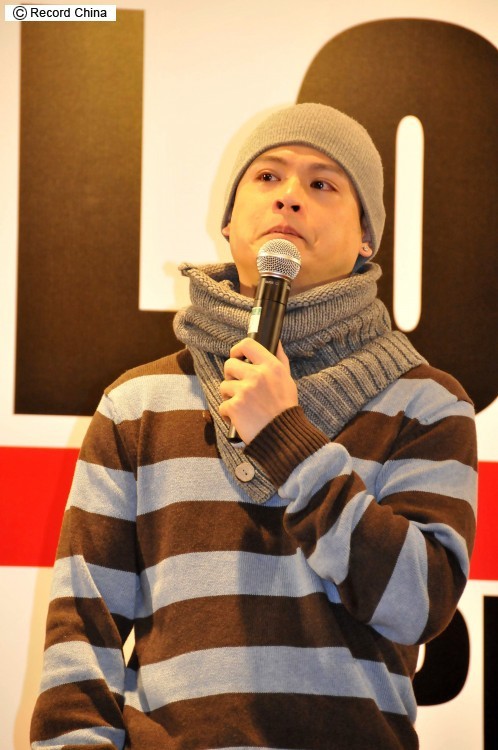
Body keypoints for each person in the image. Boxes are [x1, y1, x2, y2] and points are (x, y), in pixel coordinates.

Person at [30, 103, 477, 749]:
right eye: (268, 177)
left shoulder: (427, 404)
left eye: (323, 183)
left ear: (366, 237)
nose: (290, 196)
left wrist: (288, 442)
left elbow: (420, 604)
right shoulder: (138, 404)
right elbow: (82, 631)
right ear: (229, 220)